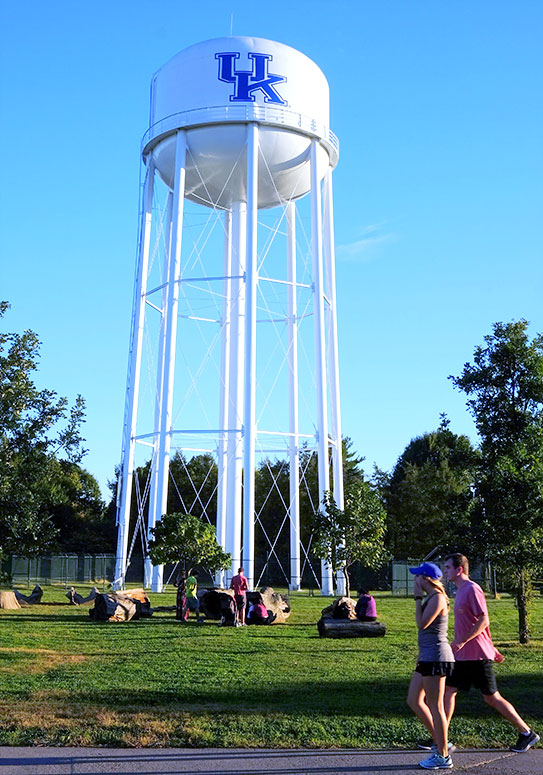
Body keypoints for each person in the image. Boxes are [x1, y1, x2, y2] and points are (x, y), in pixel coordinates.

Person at [443, 553, 539, 753]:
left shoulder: (472, 589)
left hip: (476, 656)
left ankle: (526, 732)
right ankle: (440, 736)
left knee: (491, 697)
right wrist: (491, 646)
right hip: (464, 656)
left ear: (459, 569)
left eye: (448, 567)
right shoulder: (459, 591)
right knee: (448, 692)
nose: (445, 571)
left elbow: (483, 620)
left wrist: (463, 641)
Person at [406, 561, 455, 770]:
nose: (415, 579)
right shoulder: (432, 597)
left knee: (435, 706)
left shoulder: (437, 598)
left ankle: (442, 756)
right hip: (427, 657)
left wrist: (417, 598)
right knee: (414, 700)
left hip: (436, 657)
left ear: (426, 578)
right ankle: (441, 742)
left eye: (418, 576)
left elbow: (421, 623)